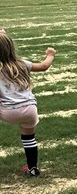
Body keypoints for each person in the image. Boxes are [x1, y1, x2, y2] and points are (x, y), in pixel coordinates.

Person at [0, 31, 55, 177]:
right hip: (29, 110)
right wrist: (50, 54)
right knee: (29, 139)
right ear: (12, 47)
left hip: (7, 112)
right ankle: (33, 168)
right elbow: (44, 66)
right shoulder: (23, 64)